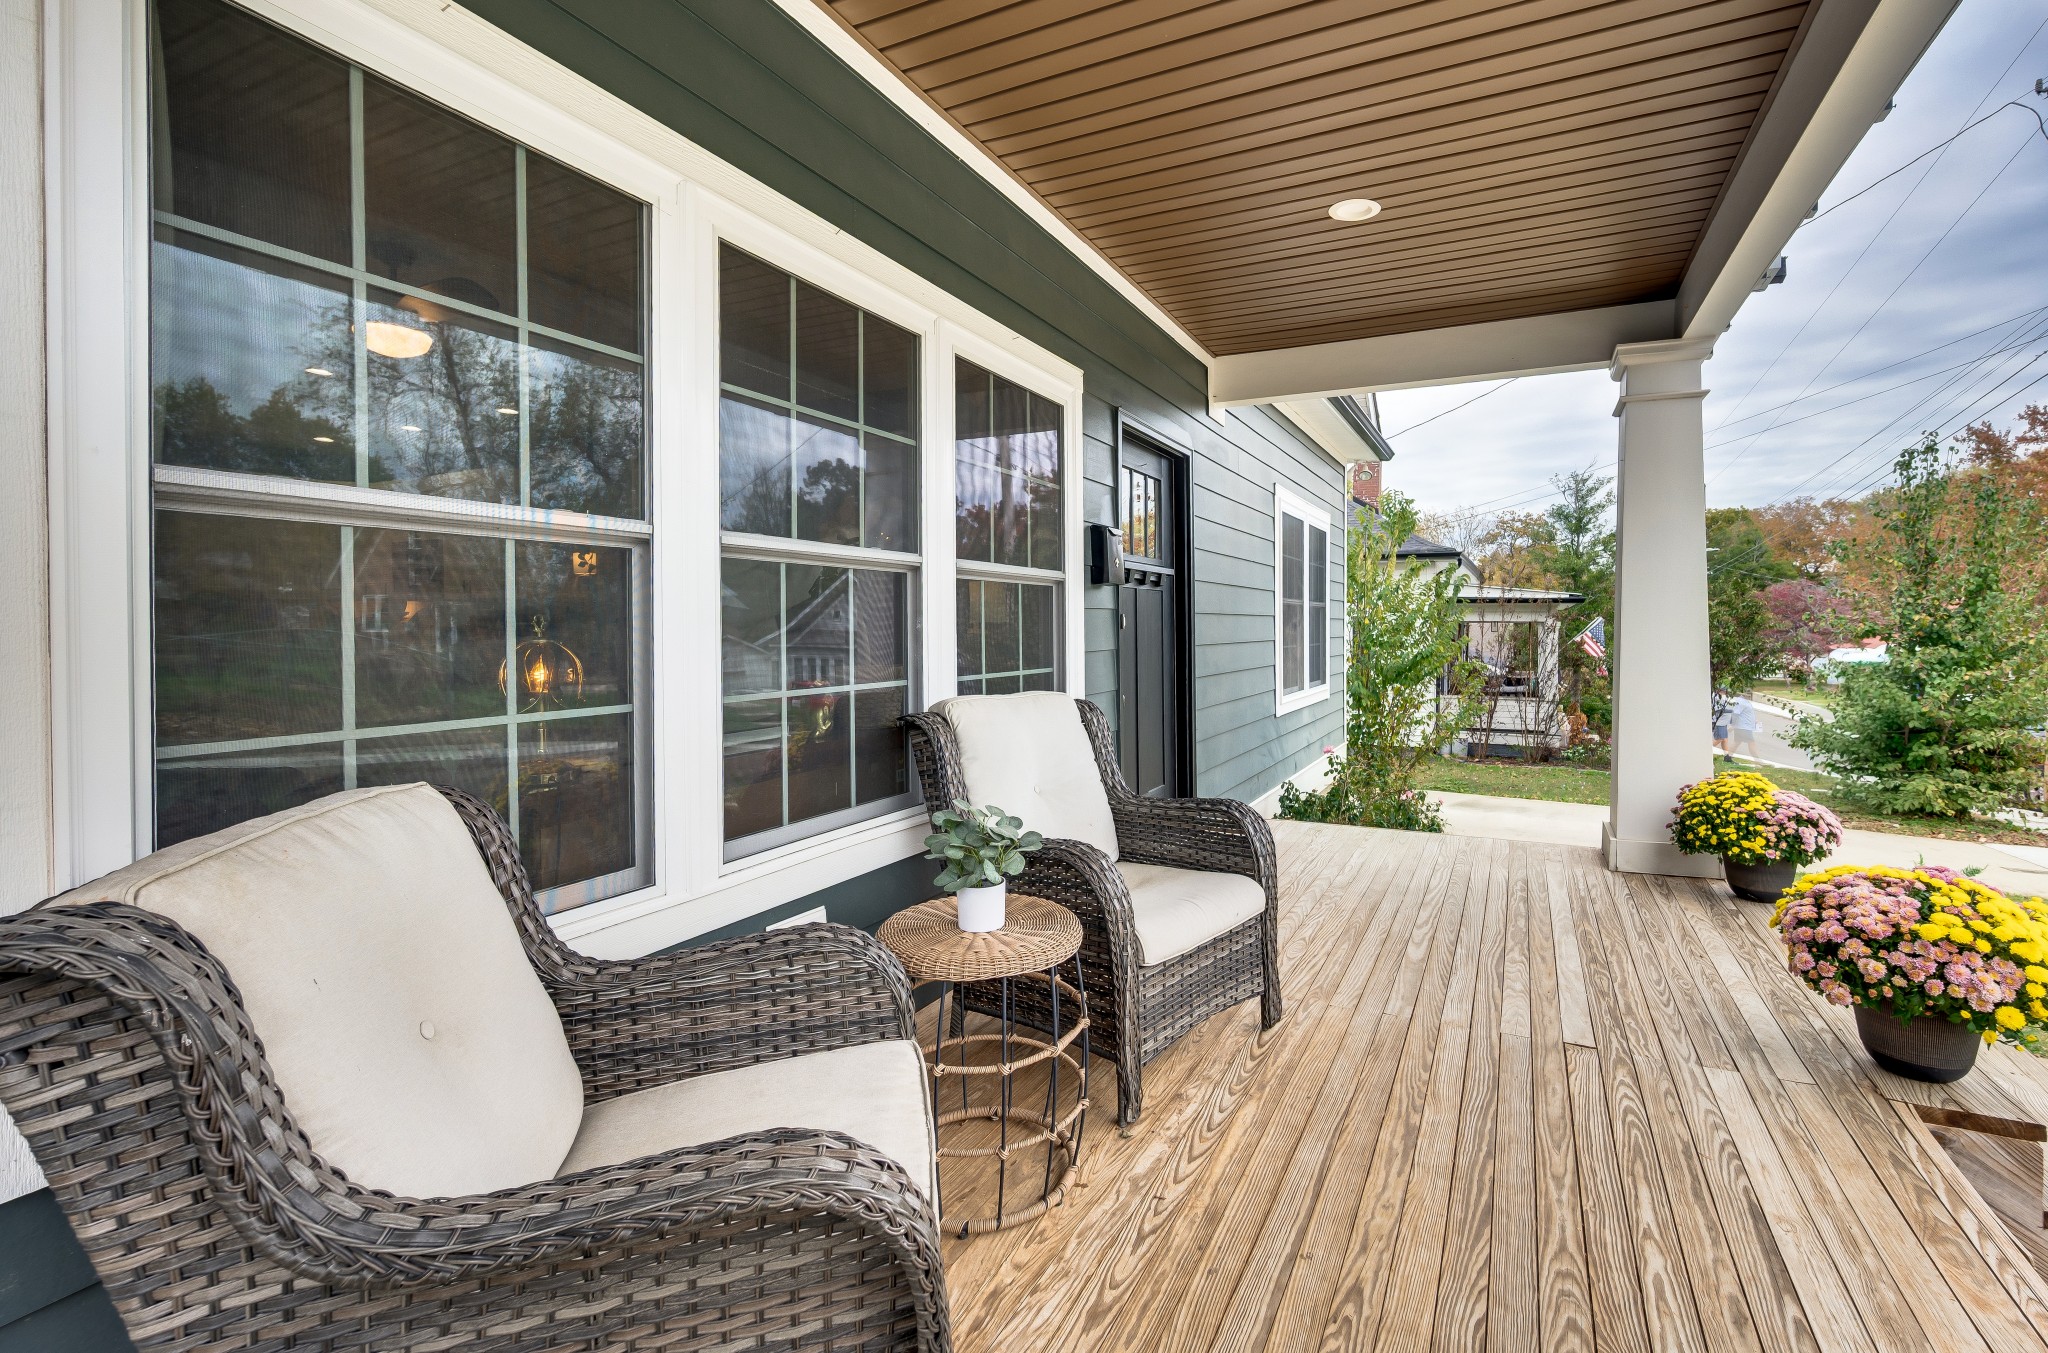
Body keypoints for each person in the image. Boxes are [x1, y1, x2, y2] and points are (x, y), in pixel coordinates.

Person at [1728, 693, 1760, 761]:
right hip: (1743, 727)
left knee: (1736, 742)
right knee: (1751, 743)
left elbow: (1744, 714)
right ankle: (1758, 761)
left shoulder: (1744, 701)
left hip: (1744, 726)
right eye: (1748, 694)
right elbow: (1735, 713)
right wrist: (1733, 725)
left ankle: (1728, 757)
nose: (1750, 695)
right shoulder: (1741, 702)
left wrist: (1753, 721)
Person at [1711, 689, 1731, 753]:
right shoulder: (1717, 697)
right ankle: (1705, 751)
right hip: (1719, 722)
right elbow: (1718, 710)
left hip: (1723, 722)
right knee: (1720, 738)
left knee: (1724, 739)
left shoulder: (1723, 697)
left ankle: (1727, 757)